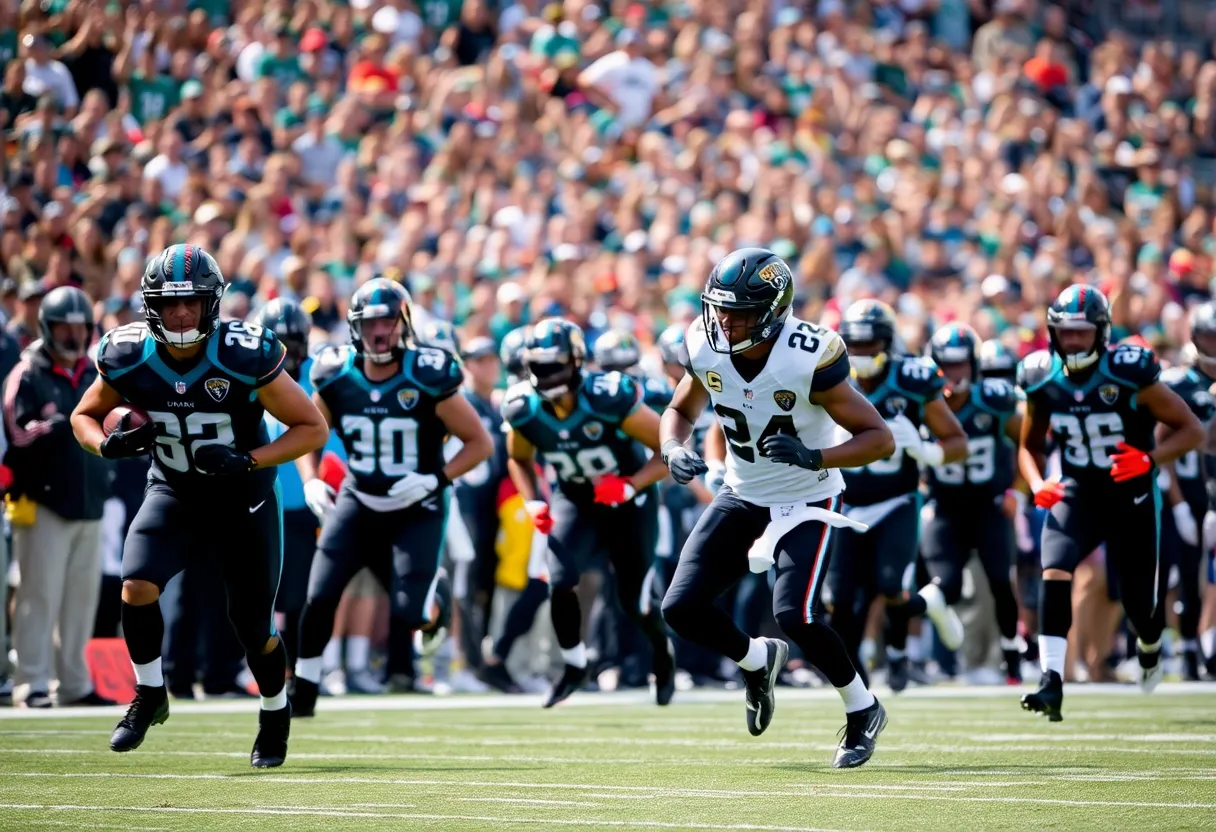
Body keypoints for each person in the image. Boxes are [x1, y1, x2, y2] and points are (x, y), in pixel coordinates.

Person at [71, 244, 329, 766]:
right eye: (170, 304)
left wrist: (247, 460)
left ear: (212, 303)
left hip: (243, 497)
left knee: (253, 628)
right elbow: (83, 416)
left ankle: (275, 711)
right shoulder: (128, 352)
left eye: (192, 302)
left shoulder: (242, 353)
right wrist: (107, 445)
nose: (183, 314)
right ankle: (150, 692)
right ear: (152, 307)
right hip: (175, 490)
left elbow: (311, 427)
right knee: (136, 584)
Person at [658, 247, 894, 768]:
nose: (724, 321)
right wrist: (673, 447)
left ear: (772, 312)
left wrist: (815, 456)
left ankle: (863, 708)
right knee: (680, 608)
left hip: (808, 497)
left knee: (796, 614)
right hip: (742, 493)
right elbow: (679, 409)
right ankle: (757, 659)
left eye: (738, 312)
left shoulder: (806, 355)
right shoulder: (705, 345)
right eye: (719, 308)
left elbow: (879, 439)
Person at [290, 278, 493, 717]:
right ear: (355, 327)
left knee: (410, 614)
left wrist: (434, 479)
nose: (379, 332)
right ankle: (303, 688)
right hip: (359, 498)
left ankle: (433, 599)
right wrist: (310, 479)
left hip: (416, 507)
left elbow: (480, 442)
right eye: (370, 323)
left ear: (404, 324)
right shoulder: (336, 373)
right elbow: (308, 431)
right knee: (320, 596)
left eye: (387, 322)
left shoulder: (427, 374)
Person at [1017, 285, 1203, 720]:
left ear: (1101, 333)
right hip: (1078, 492)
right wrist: (1037, 481)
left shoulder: (1127, 373)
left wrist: (1150, 459)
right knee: (1054, 568)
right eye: (1066, 332)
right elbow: (1030, 446)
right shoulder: (1042, 376)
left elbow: (1191, 428)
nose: (1073, 341)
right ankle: (1050, 680)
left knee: (1139, 604)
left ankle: (1150, 645)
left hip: (1130, 496)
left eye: (1082, 332)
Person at [501, 318, 676, 708]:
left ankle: (662, 654)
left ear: (576, 361)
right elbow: (519, 459)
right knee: (560, 580)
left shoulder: (606, 397)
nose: (546, 373)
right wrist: (533, 500)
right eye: (539, 365)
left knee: (635, 601)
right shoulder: (524, 407)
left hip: (628, 502)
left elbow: (669, 447)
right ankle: (575, 664)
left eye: (554, 364)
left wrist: (631, 484)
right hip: (575, 497)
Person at [829, 300, 969, 692]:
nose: (861, 352)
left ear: (888, 343)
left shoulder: (912, 378)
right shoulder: (828, 376)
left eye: (870, 344)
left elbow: (957, 441)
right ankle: (856, 680)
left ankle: (897, 653)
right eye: (854, 344)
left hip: (896, 499)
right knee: (838, 597)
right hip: (843, 502)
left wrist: (926, 451)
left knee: (892, 585)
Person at [4, 285, 114, 708]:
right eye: (65, 328)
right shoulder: (27, 373)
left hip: (90, 502)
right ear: (48, 328)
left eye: (81, 327)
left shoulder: (95, 373)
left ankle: (73, 683)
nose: (75, 335)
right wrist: (57, 426)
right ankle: (31, 682)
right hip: (43, 502)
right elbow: (16, 432)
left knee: (81, 600)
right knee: (38, 595)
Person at [923, 323, 1024, 683]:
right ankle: (927, 658)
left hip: (988, 506)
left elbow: (1030, 441)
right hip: (945, 508)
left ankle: (1012, 654)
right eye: (947, 365)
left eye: (961, 364)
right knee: (943, 584)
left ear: (975, 365)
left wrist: (1018, 490)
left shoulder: (992, 401)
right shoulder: (923, 403)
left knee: (1000, 581)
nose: (954, 373)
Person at [250, 298, 319, 666]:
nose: (287, 354)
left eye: (293, 345)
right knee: (258, 591)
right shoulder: (247, 373)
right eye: (280, 344)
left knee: (299, 593)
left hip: (303, 504)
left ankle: (292, 665)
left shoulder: (318, 376)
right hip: (258, 499)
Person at [1159, 304, 1216, 681]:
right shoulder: (1179, 383)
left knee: (1208, 577)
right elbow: (1160, 443)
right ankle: (1187, 652)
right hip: (1181, 494)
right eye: (1210, 337)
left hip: (1211, 494)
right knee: (1180, 572)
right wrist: (1177, 502)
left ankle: (1205, 648)